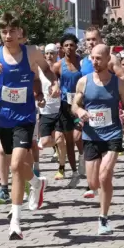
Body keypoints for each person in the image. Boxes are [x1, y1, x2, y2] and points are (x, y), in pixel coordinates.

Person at [0, 12, 59, 239]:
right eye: (4, 32)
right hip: (3, 119)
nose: (8, 36)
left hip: (25, 118)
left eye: (12, 31)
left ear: (20, 32)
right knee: (14, 166)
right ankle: (37, 183)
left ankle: (16, 222)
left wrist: (54, 85)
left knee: (17, 165)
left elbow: (46, 70)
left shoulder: (31, 52)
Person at [72, 44, 124, 235]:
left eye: (99, 58)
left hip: (112, 133)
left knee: (105, 176)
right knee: (94, 182)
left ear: (108, 60)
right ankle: (97, 191)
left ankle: (103, 218)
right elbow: (75, 104)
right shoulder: (83, 81)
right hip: (91, 135)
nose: (95, 62)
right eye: (92, 58)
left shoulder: (118, 83)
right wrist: (80, 111)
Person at [51, 34, 83, 185]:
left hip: (81, 104)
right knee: (69, 141)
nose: (69, 47)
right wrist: (56, 86)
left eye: (72, 45)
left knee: (79, 137)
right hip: (65, 106)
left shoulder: (82, 63)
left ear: (76, 46)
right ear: (62, 48)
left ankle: (83, 158)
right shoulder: (58, 66)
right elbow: (52, 80)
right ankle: (75, 172)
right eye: (66, 45)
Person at [38, 44, 67, 181]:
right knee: (45, 141)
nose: (49, 56)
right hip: (45, 111)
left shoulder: (60, 70)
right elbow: (35, 88)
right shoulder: (39, 70)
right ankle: (55, 145)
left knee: (60, 139)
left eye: (52, 53)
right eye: (47, 53)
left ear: (57, 55)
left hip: (59, 110)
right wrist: (38, 99)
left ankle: (61, 167)